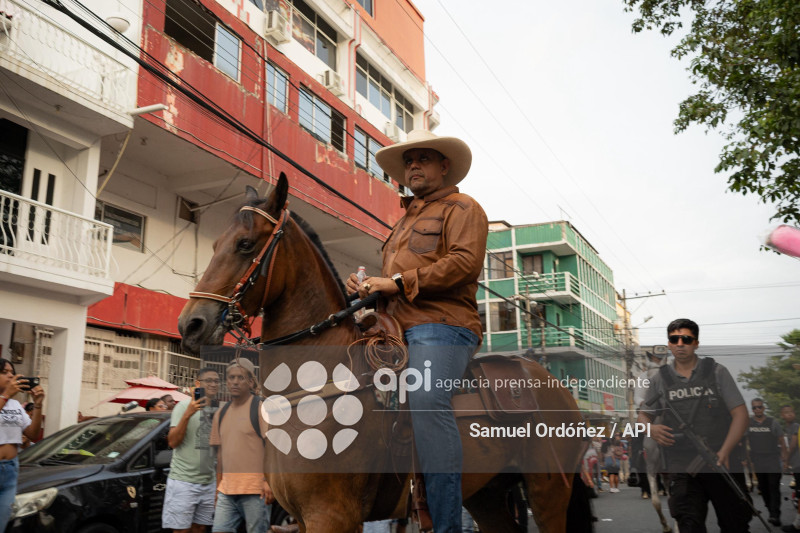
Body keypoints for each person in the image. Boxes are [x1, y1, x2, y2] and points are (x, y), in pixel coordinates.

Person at [346, 129, 488, 532]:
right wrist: (366, 286)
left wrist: (397, 282)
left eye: (423, 158)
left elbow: (465, 263)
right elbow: (391, 283)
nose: (413, 166)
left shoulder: (463, 207)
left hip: (442, 324)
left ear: (444, 166)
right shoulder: (403, 222)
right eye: (408, 161)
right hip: (392, 326)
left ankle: (446, 527)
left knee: (426, 398)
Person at [638, 318, 751, 533]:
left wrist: (725, 451)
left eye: (686, 339)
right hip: (682, 466)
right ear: (669, 344)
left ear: (696, 343)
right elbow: (643, 415)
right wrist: (650, 429)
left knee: (735, 523)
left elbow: (741, 415)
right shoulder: (660, 379)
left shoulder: (717, 372)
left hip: (721, 461)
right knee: (689, 525)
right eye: (674, 339)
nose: (680, 344)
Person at [210, 359, 273, 533]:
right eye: (231, 378)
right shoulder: (220, 413)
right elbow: (220, 455)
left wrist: (268, 482)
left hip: (256, 491)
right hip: (226, 491)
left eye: (240, 377)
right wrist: (218, 489)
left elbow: (273, 447)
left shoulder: (260, 408)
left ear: (251, 382)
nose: (235, 382)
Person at [162, 367, 220, 533]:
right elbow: (173, 442)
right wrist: (189, 413)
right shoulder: (182, 407)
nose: (213, 384)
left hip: (209, 482)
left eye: (216, 381)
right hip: (183, 482)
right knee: (181, 530)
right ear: (198, 384)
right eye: (208, 381)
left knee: (200, 529)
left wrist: (218, 485)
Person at [0, 358, 44, 531]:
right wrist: (5, 395)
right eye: (4, 372)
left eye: (12, 372)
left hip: (10, 469)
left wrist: (38, 405)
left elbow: (33, 434)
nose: (11, 376)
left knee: (2, 521)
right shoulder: (7, 398)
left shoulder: (15, 404)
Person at [748, 398, 785, 526]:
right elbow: (743, 440)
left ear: (763, 408)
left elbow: (781, 440)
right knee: (763, 488)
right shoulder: (748, 423)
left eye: (759, 407)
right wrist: (744, 458)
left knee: (773, 486)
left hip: (772, 459)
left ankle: (775, 515)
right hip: (758, 460)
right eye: (754, 407)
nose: (757, 409)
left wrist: (785, 458)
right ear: (752, 409)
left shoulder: (772, 422)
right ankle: (770, 510)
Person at [781, 405, 800, 532]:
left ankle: (797, 524)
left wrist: (786, 461)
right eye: (786, 412)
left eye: (791, 412)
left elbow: (793, 445)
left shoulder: (795, 426)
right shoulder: (788, 428)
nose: (789, 414)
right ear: (782, 415)